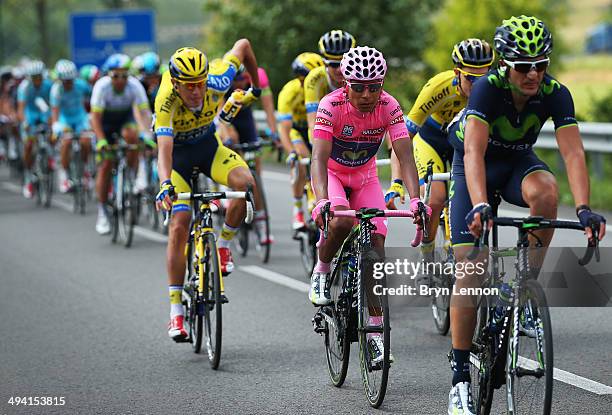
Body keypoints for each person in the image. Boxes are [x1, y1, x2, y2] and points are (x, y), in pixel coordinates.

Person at [445, 16, 606, 414]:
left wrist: (584, 208)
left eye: (541, 64)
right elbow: (473, 154)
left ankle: (525, 287)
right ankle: (460, 376)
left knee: (548, 192)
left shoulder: (555, 93)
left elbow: (572, 153)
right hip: (476, 170)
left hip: (517, 163)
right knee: (471, 270)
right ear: (505, 64)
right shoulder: (486, 89)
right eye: (523, 66)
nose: (533, 73)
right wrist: (481, 203)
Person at [309, 46, 426, 363]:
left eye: (374, 86)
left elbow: (405, 155)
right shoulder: (330, 105)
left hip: (365, 178)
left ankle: (374, 334)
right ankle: (321, 268)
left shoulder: (390, 107)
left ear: (382, 84)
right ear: (345, 83)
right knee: (343, 221)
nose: (366, 94)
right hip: (333, 174)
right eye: (358, 87)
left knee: (376, 247)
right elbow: (318, 159)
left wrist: (415, 199)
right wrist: (321, 200)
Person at [153, 41, 261, 341]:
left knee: (245, 185)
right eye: (189, 87)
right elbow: (163, 150)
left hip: (208, 147)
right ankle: (176, 312)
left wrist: (255, 87)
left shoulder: (219, 78)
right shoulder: (165, 99)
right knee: (180, 223)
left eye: (200, 85)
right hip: (177, 159)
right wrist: (165, 186)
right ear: (176, 83)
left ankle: (224, 245)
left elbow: (244, 46)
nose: (197, 92)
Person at [385, 39, 494, 275]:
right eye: (470, 79)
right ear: (457, 73)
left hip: (464, 145)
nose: (477, 86)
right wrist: (396, 181)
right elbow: (402, 139)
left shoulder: (494, 89)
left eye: (483, 78)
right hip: (431, 140)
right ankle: (427, 254)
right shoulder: (438, 87)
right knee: (436, 198)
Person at [90, 53, 152, 234]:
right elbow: (95, 118)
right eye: (116, 75)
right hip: (105, 125)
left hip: (125, 121)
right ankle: (102, 211)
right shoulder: (102, 87)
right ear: (108, 75)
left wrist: (147, 135)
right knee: (106, 165)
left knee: (133, 137)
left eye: (124, 75)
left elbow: (144, 113)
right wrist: (101, 139)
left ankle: (131, 176)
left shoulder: (135, 86)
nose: (120, 79)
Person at [217, 64, 276, 245]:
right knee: (232, 140)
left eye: (242, 80)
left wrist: (274, 133)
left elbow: (268, 108)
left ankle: (261, 224)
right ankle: (227, 189)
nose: (238, 84)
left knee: (256, 170)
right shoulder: (221, 81)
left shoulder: (259, 77)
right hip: (227, 119)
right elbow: (220, 115)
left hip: (246, 118)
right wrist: (226, 138)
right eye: (234, 81)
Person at [277, 52, 324, 229]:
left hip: (318, 129)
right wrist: (291, 152)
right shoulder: (290, 92)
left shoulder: (323, 89)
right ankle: (297, 209)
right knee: (302, 159)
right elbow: (285, 128)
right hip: (297, 130)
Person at [50, 59, 93, 193]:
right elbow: (55, 112)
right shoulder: (56, 90)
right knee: (66, 141)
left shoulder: (81, 85)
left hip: (80, 118)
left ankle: (85, 169)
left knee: (86, 141)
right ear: (60, 80)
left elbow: (94, 98)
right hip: (65, 119)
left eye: (70, 80)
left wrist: (91, 116)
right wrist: (56, 127)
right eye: (65, 81)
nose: (68, 83)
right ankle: (64, 175)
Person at [304, 29, 356, 139]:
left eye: (343, 64)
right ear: (324, 63)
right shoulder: (314, 78)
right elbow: (313, 123)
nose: (339, 70)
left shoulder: (360, 76)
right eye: (333, 65)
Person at [17, 60, 52, 198]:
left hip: (44, 114)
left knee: (52, 134)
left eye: (39, 77)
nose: (37, 80)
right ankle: (28, 177)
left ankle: (50, 157)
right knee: (28, 145)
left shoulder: (49, 85)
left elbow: (54, 104)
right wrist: (24, 122)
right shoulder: (24, 87)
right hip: (29, 115)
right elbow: (21, 108)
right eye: (34, 77)